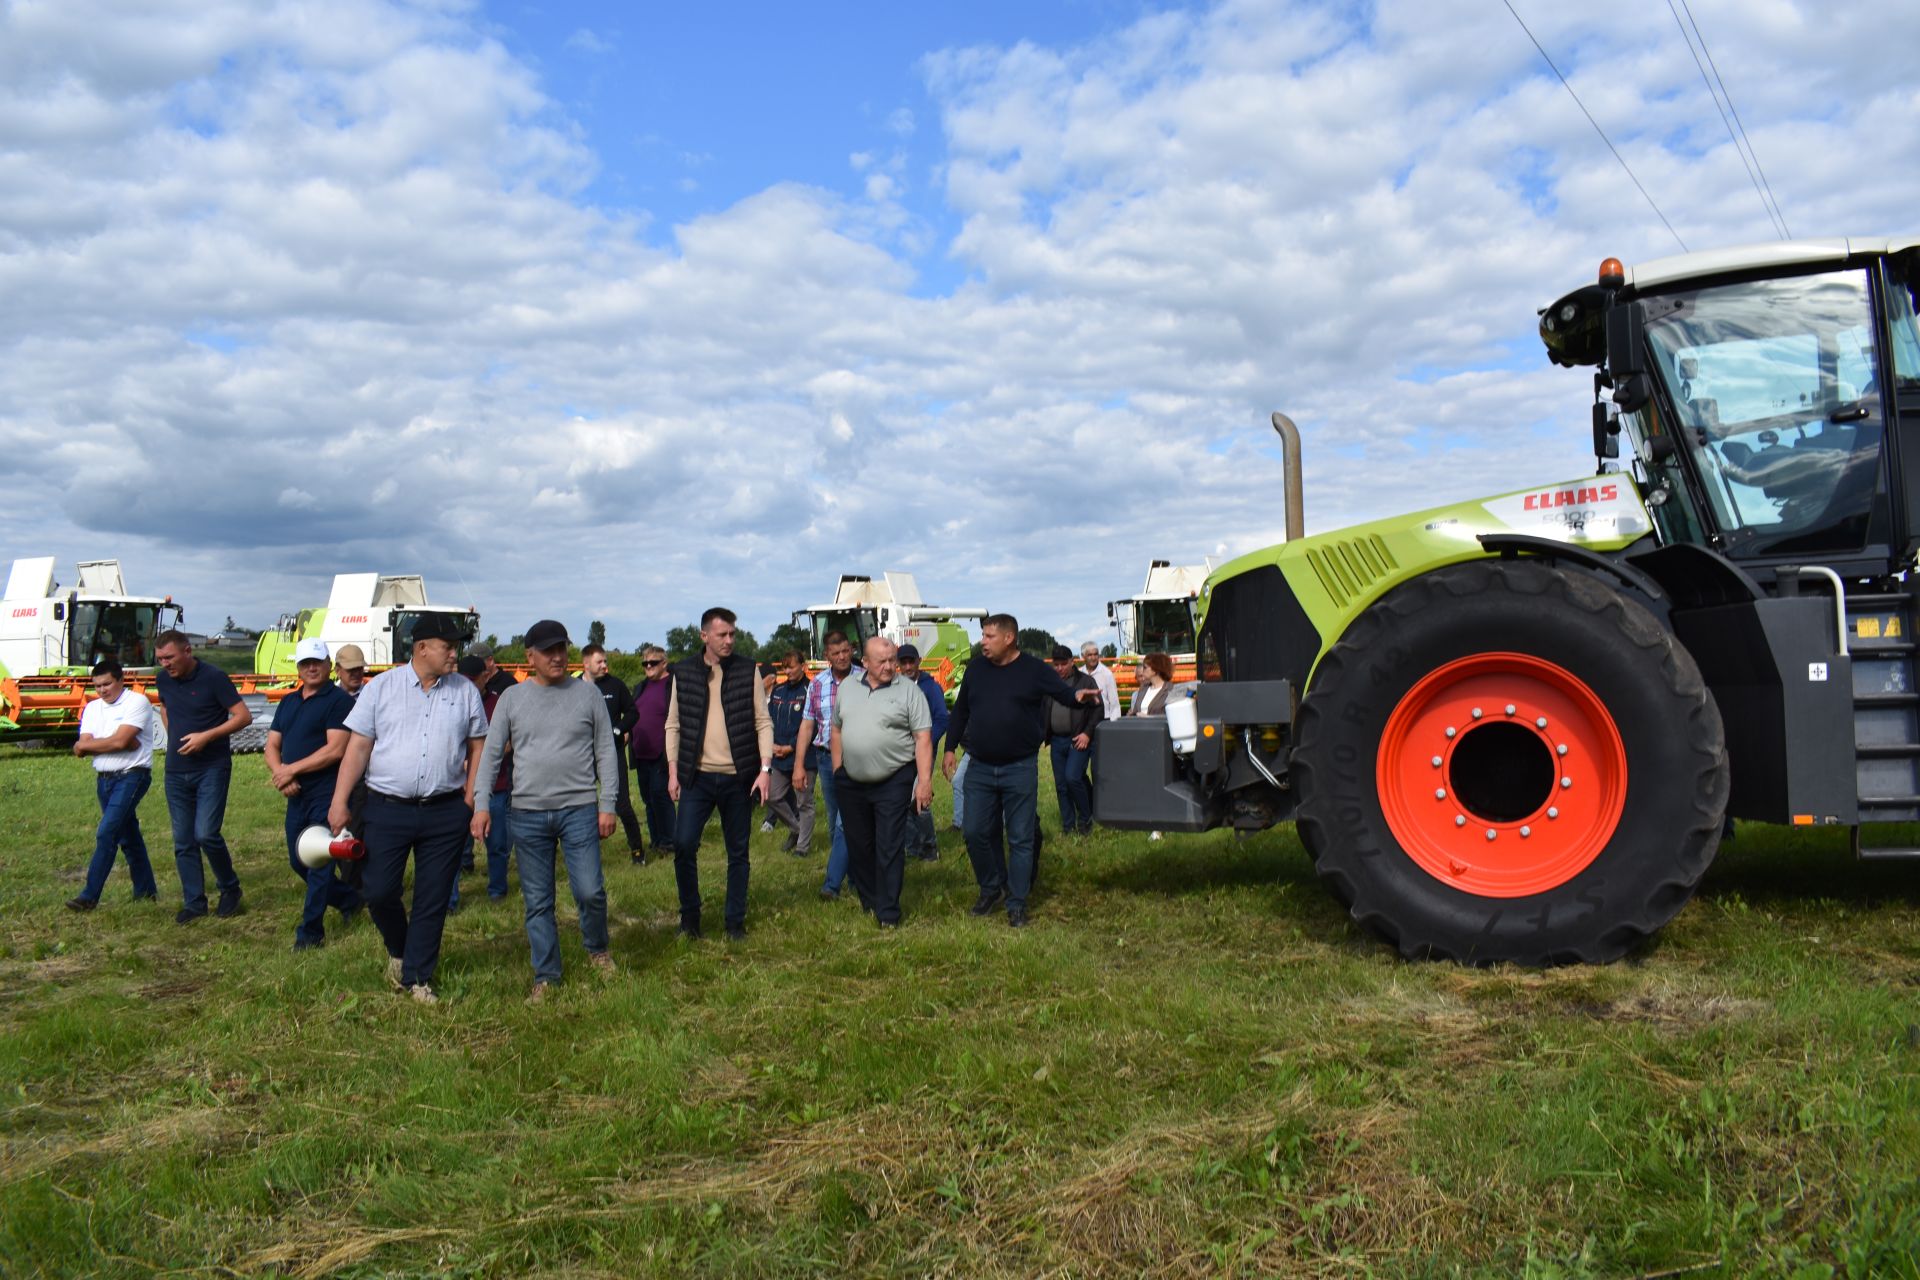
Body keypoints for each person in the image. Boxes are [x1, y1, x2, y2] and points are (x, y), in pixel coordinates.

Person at [328, 613, 487, 1004]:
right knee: (379, 891)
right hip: (387, 809)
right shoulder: (381, 688)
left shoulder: (465, 692)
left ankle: (417, 978)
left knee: (432, 898)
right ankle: (400, 951)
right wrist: (339, 801)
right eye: (448, 647)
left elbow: (478, 746)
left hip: (445, 811)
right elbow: (359, 746)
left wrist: (470, 800)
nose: (455, 654)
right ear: (422, 648)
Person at [473, 620, 619, 1000]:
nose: (557, 657)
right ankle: (547, 975)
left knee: (589, 891)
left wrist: (608, 804)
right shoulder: (512, 699)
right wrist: (482, 803)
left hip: (579, 809)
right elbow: (490, 756)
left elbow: (606, 750)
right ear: (529, 657)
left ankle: (597, 949)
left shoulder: (587, 695)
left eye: (562, 649)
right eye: (549, 651)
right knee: (538, 900)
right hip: (527, 813)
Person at [942, 615, 1099, 928]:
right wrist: (949, 748)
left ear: (1009, 638)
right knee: (974, 832)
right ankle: (992, 887)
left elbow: (1064, 693)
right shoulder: (976, 669)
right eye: (982, 636)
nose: (983, 642)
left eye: (989, 636)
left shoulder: (1033, 669)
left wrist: (1078, 698)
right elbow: (961, 711)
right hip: (980, 766)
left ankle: (1017, 902)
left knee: (1021, 838)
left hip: (1019, 767)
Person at [665, 608, 774, 941]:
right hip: (696, 778)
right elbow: (673, 724)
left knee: (738, 852)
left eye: (732, 634)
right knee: (683, 846)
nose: (729, 640)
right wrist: (673, 771)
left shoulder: (746, 670)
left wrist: (765, 769)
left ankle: (734, 922)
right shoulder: (682, 672)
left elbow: (762, 721)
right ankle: (690, 919)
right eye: (722, 634)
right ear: (704, 636)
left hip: (738, 777)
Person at [265, 637, 360, 950]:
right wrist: (282, 772)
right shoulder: (289, 702)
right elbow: (272, 746)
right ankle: (349, 899)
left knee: (319, 862)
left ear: (328, 665)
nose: (311, 668)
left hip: (326, 793)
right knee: (298, 860)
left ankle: (310, 933)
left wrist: (292, 770)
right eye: (305, 663)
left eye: (317, 662)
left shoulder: (338, 701)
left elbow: (335, 750)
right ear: (298, 667)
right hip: (296, 794)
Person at [833, 636, 933, 928]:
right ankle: (870, 900)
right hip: (851, 780)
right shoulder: (848, 688)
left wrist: (923, 781)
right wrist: (839, 769)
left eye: (893, 660)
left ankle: (888, 912)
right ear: (864, 663)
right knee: (859, 845)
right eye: (882, 661)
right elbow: (837, 729)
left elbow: (923, 738)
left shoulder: (909, 692)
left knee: (888, 844)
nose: (890, 666)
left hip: (894, 778)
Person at [153, 629, 252, 923]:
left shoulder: (214, 678)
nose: (165, 664)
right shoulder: (162, 679)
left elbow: (243, 716)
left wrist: (206, 737)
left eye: (169, 657)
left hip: (211, 767)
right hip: (176, 770)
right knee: (183, 840)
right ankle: (194, 902)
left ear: (187, 651)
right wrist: (175, 738)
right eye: (160, 659)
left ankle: (230, 888)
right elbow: (165, 707)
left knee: (206, 833)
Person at [66, 659, 159, 911]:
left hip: (132, 775)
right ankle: (147, 892)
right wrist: (114, 741)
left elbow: (120, 742)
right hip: (104, 779)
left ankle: (89, 896)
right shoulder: (93, 708)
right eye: (97, 686)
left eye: (107, 684)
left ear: (120, 681)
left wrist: (104, 743)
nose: (102, 690)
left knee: (107, 832)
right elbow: (81, 747)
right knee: (129, 837)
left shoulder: (137, 702)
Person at [791, 631, 860, 900]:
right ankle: (849, 874)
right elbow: (807, 725)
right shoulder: (817, 684)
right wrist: (799, 765)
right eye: (836, 653)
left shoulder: (864, 678)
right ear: (826, 657)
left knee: (847, 821)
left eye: (846, 651)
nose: (842, 657)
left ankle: (835, 883)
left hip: (857, 758)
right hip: (824, 758)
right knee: (834, 822)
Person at [457, 654, 515, 900]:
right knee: (453, 846)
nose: (468, 685)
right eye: (463, 680)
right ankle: (449, 900)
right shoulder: (452, 702)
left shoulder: (499, 703)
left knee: (498, 844)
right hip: (457, 786)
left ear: (485, 677)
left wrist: (484, 760)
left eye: (473, 680)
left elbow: (510, 740)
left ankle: (497, 891)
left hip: (496, 785)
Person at [581, 644, 644, 853]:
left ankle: (637, 849)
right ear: (586, 663)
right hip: (581, 754)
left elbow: (633, 713)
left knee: (622, 803)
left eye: (605, 661)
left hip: (611, 751)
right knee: (584, 803)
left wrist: (617, 730)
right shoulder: (572, 687)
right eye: (599, 662)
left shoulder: (615, 685)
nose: (604, 666)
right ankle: (586, 848)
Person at [895, 643, 949, 861]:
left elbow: (942, 718)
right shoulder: (895, 686)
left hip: (922, 753)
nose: (908, 666)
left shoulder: (930, 688)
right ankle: (913, 847)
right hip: (899, 754)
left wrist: (925, 743)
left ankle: (929, 848)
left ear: (919, 661)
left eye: (911, 661)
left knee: (920, 800)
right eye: (904, 662)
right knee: (901, 801)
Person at [1046, 645, 1104, 837]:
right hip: (1056, 740)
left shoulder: (1085, 681)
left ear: (1072, 662)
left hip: (1078, 739)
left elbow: (1098, 710)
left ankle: (1086, 818)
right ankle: (1068, 825)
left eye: (1064, 664)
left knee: (1073, 777)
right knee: (1061, 785)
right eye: (1057, 665)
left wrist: (1087, 734)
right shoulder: (1050, 683)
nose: (1060, 668)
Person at [764, 650, 814, 856]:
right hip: (778, 755)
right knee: (770, 795)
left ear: (803, 666)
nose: (788, 671)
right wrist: (773, 745)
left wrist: (792, 746)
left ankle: (802, 847)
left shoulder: (811, 690)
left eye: (792, 666)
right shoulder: (778, 691)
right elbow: (769, 720)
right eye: (785, 667)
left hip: (802, 755)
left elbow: (812, 724)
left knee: (804, 802)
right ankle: (796, 829)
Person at [629, 644, 675, 864]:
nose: (648, 666)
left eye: (653, 662)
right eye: (645, 663)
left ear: (664, 663)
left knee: (660, 795)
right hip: (641, 752)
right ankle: (656, 839)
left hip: (662, 752)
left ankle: (669, 840)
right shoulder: (640, 687)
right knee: (648, 798)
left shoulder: (672, 685)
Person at [1081, 642, 1121, 723]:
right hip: (1083, 719)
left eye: (1095, 654)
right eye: (1090, 655)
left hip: (1103, 719)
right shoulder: (1079, 673)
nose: (1093, 658)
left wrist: (1114, 723)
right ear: (1083, 656)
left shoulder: (1107, 674)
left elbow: (1114, 702)